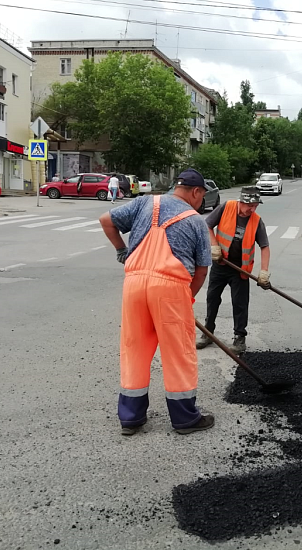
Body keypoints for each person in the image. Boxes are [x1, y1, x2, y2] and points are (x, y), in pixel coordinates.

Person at [98, 168, 215, 436]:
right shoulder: (197, 221)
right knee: (178, 353)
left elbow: (106, 220)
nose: (201, 201)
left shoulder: (144, 202)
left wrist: (122, 251)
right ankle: (185, 418)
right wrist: (187, 297)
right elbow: (201, 271)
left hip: (134, 285)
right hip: (171, 288)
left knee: (134, 350)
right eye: (201, 196)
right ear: (196, 192)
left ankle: (131, 418)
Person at [196, 186, 271, 354]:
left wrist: (264, 272)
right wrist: (214, 247)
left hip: (240, 269)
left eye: (256, 206)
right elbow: (206, 226)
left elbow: (264, 247)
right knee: (212, 299)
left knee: (240, 304)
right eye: (250, 206)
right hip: (220, 264)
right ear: (241, 202)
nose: (252, 209)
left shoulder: (257, 221)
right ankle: (207, 333)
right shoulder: (226, 207)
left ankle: (240, 338)